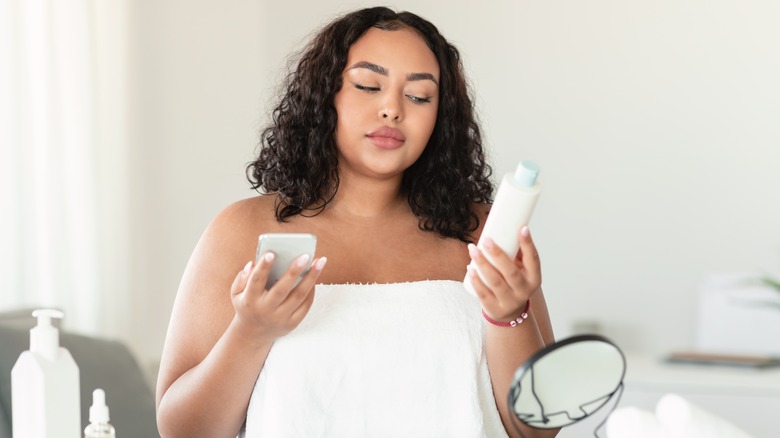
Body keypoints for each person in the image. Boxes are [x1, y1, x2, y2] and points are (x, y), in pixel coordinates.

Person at [155, 6, 556, 438]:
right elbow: (183, 431)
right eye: (368, 85)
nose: (392, 109)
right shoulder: (243, 231)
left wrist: (510, 315)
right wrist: (251, 331)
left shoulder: (481, 233)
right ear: (326, 95)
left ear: (440, 117)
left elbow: (539, 429)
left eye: (419, 96)